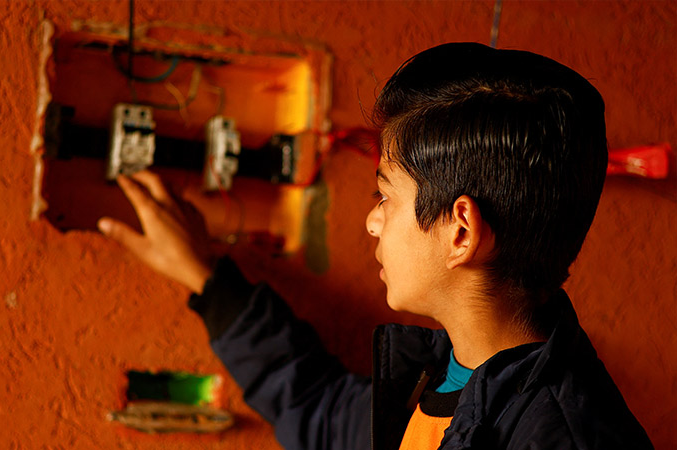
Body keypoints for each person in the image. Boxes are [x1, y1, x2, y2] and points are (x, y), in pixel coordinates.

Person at [97, 43, 653, 449]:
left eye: (384, 195)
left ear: (460, 231)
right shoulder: (446, 376)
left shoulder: (562, 436)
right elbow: (315, 406)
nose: (371, 222)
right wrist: (207, 280)